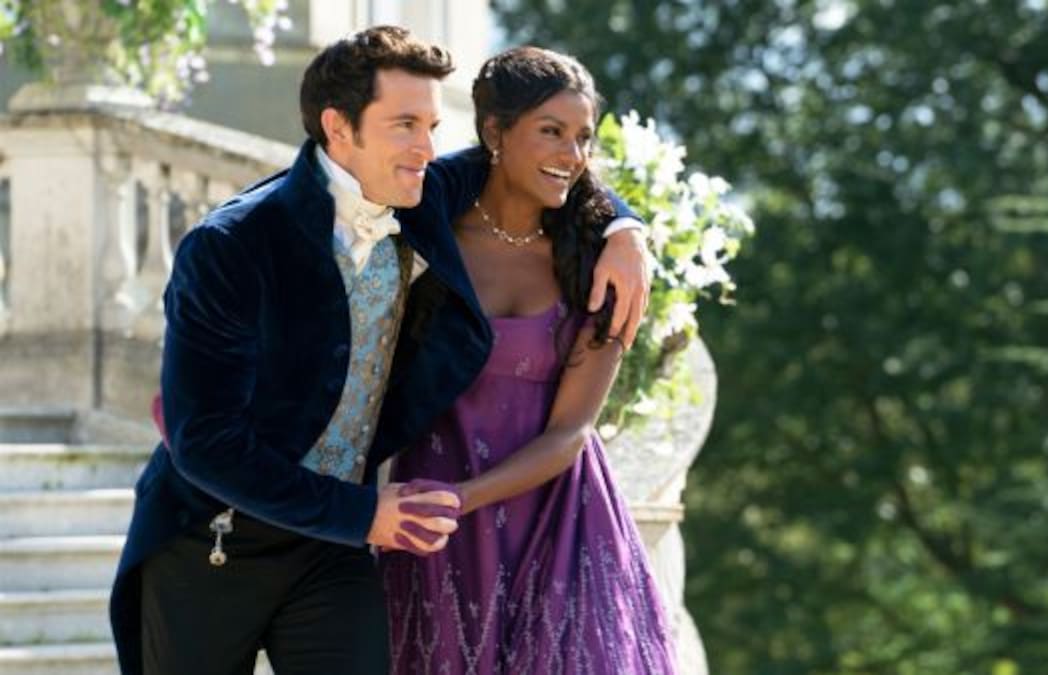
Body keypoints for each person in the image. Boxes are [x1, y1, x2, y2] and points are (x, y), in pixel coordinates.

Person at [111, 27, 651, 675]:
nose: (428, 148)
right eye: (405, 125)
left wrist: (626, 229)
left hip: (334, 553)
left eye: (431, 125)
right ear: (339, 128)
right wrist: (363, 514)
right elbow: (204, 442)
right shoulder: (230, 245)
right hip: (214, 537)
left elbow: (533, 162)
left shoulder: (420, 194)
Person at [379, 46, 677, 674]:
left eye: (583, 137)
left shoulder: (597, 262)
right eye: (551, 132)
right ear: (494, 132)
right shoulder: (425, 232)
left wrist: (463, 498)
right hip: (436, 522)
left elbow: (572, 432)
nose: (572, 154)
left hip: (559, 519)